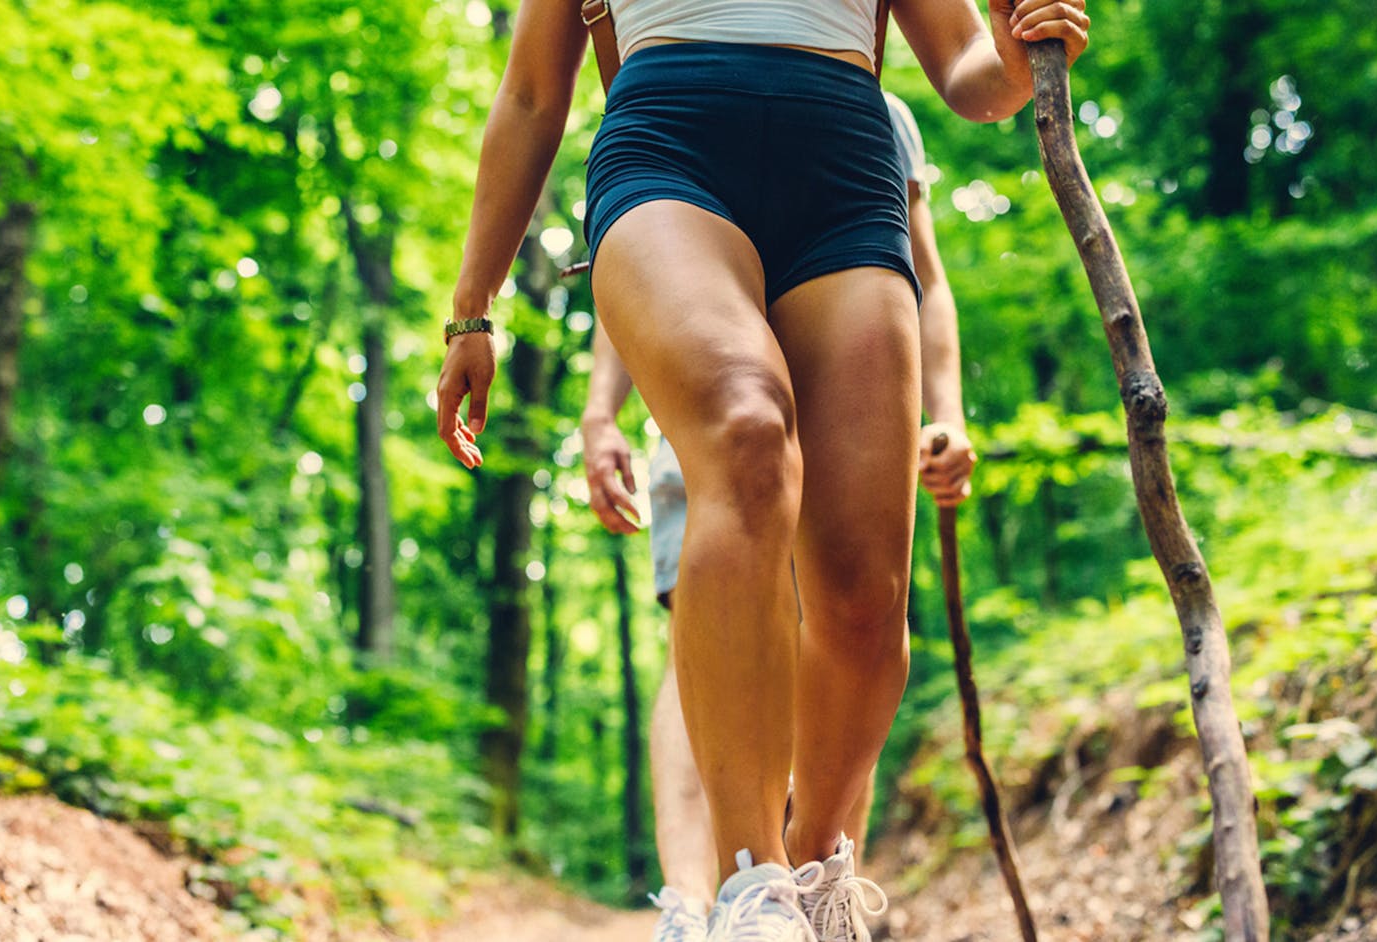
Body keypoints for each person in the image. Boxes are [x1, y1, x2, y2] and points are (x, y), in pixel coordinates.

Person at [434, 0, 1087, 937]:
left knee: (863, 595)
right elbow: (536, 93)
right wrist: (472, 307)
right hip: (667, 149)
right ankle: (751, 884)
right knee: (746, 431)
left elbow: (969, 76)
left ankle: (817, 866)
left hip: (847, 173)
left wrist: (1025, 57)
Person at [579, 92, 981, 942]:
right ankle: (693, 906)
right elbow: (633, 264)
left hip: (853, 404)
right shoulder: (674, 56)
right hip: (711, 412)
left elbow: (927, 281)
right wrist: (601, 413)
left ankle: (824, 888)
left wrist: (946, 412)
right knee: (707, 637)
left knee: (847, 629)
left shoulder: (882, 111)